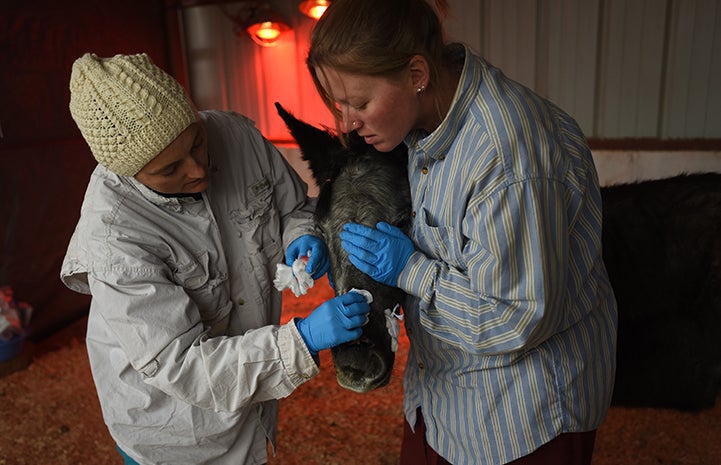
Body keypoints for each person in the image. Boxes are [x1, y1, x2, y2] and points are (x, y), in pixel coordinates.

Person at [306, 1, 618, 464]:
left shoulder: (507, 154)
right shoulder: (420, 124)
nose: (347, 123)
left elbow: (513, 319)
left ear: (416, 72)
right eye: (339, 105)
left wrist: (413, 270)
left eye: (360, 103)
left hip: (522, 418)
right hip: (444, 395)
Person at [60, 52, 370, 465]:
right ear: (130, 175)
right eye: (171, 168)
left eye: (197, 143)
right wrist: (302, 340)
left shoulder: (235, 135)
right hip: (176, 433)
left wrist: (303, 235)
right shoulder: (115, 239)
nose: (197, 169)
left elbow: (291, 208)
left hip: (249, 403)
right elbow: (183, 364)